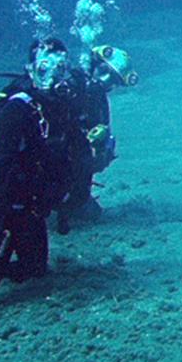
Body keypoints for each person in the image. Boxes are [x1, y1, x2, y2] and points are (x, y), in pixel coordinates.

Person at [0, 39, 82, 298]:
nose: (52, 77)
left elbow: (71, 155)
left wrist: (58, 195)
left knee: (35, 269)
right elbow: (0, 167)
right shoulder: (17, 108)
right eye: (44, 69)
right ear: (30, 70)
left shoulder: (63, 108)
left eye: (59, 69)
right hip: (2, 202)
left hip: (30, 205)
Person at [55, 44, 137, 231]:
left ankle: (69, 199)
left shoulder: (98, 102)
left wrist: (101, 150)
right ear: (94, 63)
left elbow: (102, 146)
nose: (106, 80)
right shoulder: (65, 86)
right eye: (104, 71)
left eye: (113, 80)